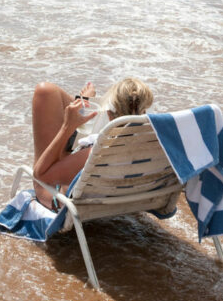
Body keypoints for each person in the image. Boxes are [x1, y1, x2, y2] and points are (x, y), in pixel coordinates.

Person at [31, 78, 154, 208]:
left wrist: (67, 127)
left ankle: (83, 104)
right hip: (117, 194)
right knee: (49, 92)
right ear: (144, 112)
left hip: (61, 200)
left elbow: (41, 176)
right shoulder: (157, 144)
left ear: (109, 115)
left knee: (44, 92)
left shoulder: (97, 152)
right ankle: (83, 104)